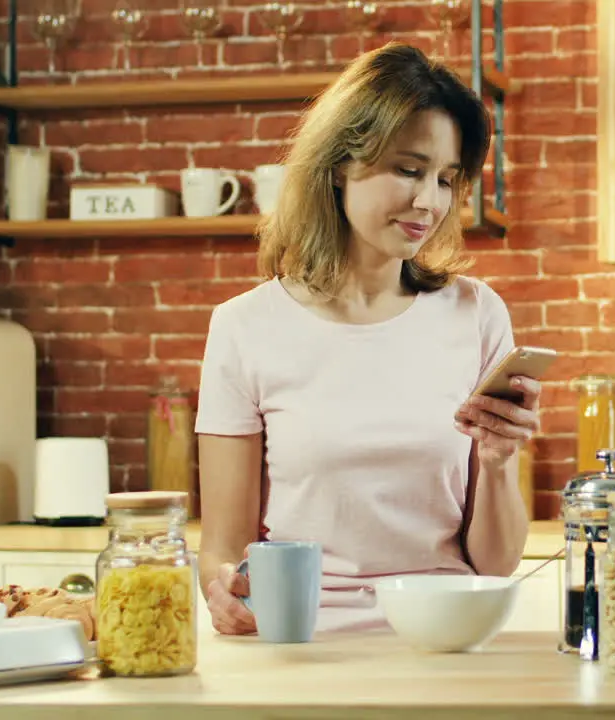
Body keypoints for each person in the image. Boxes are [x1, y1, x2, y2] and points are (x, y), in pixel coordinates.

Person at [194, 42, 541, 636]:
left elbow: (496, 563)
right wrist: (223, 588)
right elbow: (222, 548)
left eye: (445, 179)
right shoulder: (243, 328)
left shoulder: (476, 313)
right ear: (338, 164)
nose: (428, 201)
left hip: (443, 637)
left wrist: (500, 459)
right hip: (298, 638)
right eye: (408, 169)